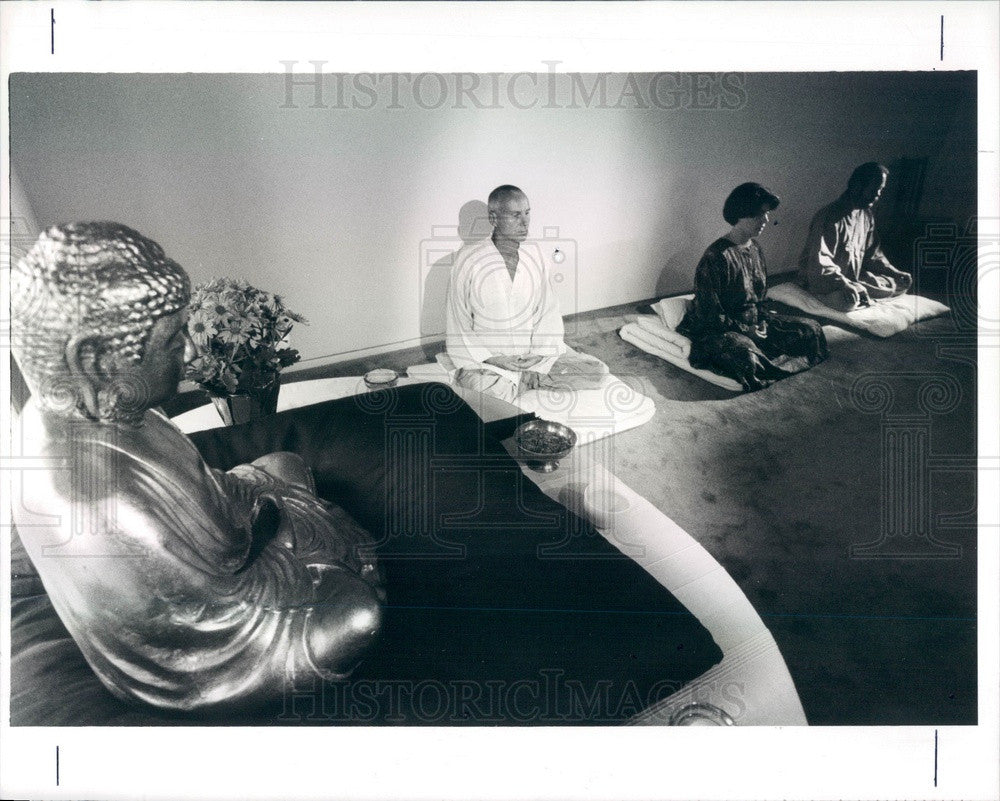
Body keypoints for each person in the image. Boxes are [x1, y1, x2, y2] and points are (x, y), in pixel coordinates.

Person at [10, 222, 385, 712]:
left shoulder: (108, 409)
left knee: (283, 462)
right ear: (98, 360)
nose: (190, 353)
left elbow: (218, 490)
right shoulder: (101, 496)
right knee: (356, 616)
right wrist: (299, 532)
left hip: (228, 552)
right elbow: (221, 616)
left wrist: (266, 504)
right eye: (171, 341)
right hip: (214, 644)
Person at [445, 184, 608, 403]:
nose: (525, 222)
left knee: (597, 372)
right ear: (493, 218)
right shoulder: (468, 259)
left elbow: (548, 310)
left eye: (527, 213)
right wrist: (494, 359)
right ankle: (522, 380)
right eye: (515, 215)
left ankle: (527, 378)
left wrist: (540, 354)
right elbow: (458, 322)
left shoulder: (535, 254)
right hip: (490, 361)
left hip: (532, 356)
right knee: (484, 396)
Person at [676, 182, 829, 392]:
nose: (766, 220)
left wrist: (762, 322)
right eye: (759, 215)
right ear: (741, 214)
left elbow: (760, 299)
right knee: (746, 355)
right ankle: (760, 358)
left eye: (766, 214)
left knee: (811, 330)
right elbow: (709, 313)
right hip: (719, 330)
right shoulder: (716, 256)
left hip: (755, 324)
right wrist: (747, 331)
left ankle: (764, 357)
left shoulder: (755, 249)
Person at [798, 162, 913, 312]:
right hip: (823, 280)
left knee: (898, 283)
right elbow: (821, 263)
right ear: (856, 186)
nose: (877, 195)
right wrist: (844, 284)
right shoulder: (829, 216)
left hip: (852, 278)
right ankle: (835, 294)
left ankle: (859, 292)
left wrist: (895, 272)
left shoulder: (866, 216)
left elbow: (873, 256)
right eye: (874, 189)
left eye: (880, 190)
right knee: (848, 301)